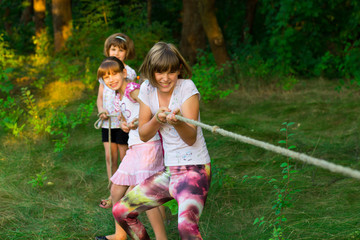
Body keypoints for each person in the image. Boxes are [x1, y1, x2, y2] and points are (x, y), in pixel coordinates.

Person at [112, 42, 211, 240]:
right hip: (169, 172)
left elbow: (191, 138)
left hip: (195, 169)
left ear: (179, 70)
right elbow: (144, 134)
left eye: (171, 72)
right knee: (121, 211)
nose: (165, 78)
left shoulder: (187, 88)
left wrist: (177, 123)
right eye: (159, 73)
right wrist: (157, 119)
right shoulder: (147, 89)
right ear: (151, 71)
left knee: (186, 227)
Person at [96, 57, 167, 240]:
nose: (111, 79)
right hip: (135, 147)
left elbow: (147, 103)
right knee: (116, 190)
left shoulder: (131, 89)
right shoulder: (118, 96)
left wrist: (141, 120)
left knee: (145, 196)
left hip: (149, 145)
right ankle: (121, 234)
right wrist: (125, 124)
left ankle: (161, 238)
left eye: (114, 74)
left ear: (125, 73)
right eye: (106, 77)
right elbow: (124, 118)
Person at [97, 33, 136, 209]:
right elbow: (99, 97)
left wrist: (126, 116)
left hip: (123, 122)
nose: (117, 52)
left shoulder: (129, 72)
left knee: (124, 156)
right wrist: (101, 110)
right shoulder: (104, 71)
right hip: (108, 122)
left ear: (126, 53)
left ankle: (127, 189)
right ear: (107, 50)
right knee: (109, 156)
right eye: (114, 49)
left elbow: (131, 96)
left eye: (121, 50)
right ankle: (112, 191)